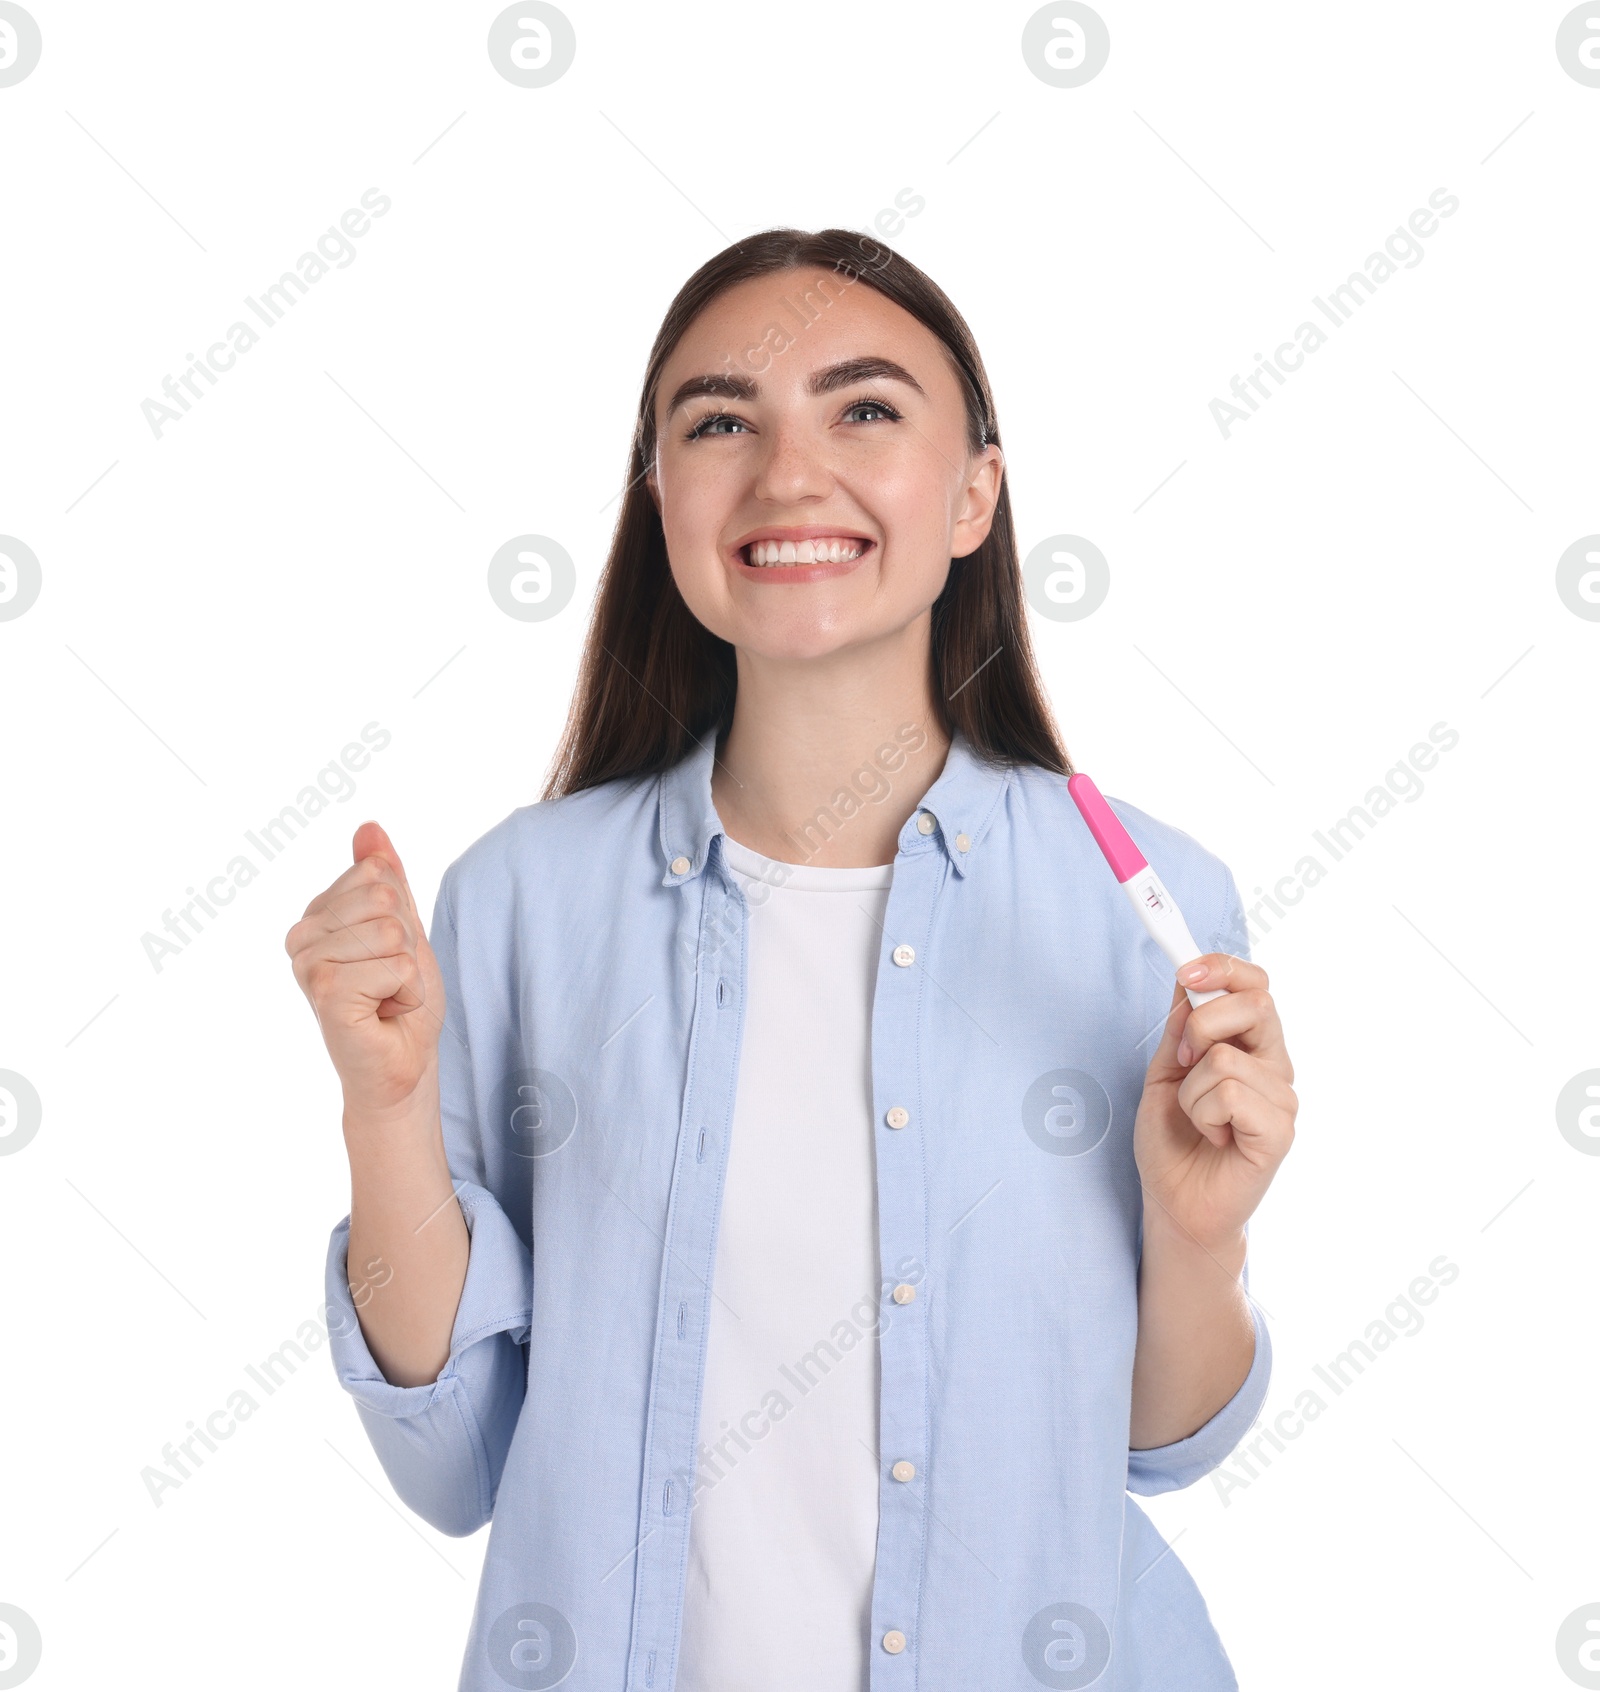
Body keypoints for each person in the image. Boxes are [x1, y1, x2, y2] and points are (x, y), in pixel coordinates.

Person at [286, 227, 1298, 1691]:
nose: (788, 474)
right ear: (661, 497)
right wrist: (382, 1109)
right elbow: (455, 1467)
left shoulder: (1141, 900)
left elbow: (1157, 1448)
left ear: (974, 499)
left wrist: (1198, 1235)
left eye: (866, 409)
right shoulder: (521, 901)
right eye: (719, 424)